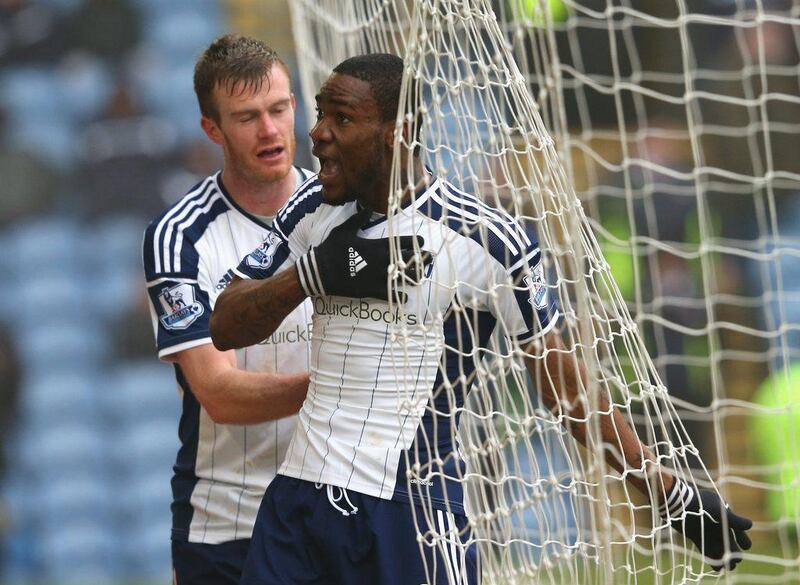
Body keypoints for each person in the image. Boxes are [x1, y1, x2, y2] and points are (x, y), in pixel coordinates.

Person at [210, 53, 753, 584]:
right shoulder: (310, 211)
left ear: (398, 134)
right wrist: (311, 276)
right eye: (322, 113)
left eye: (342, 118)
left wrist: (665, 488)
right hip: (297, 502)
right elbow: (226, 323)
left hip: (411, 514)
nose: (319, 132)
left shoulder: (487, 239)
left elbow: (566, 389)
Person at [142, 35, 315, 585]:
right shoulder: (179, 239)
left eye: (278, 109)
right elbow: (217, 395)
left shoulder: (343, 213)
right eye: (246, 117)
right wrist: (344, 387)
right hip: (230, 527)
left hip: (337, 512)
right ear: (211, 129)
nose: (268, 130)